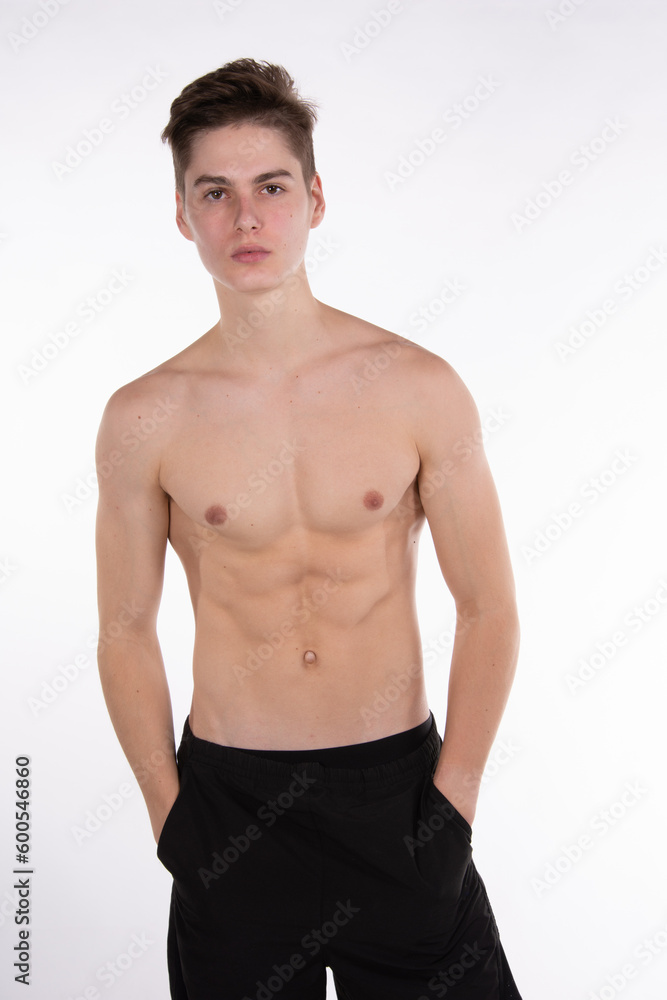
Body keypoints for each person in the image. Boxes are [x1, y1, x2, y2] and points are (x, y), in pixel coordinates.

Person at [95, 57, 523, 999]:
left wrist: (452, 803)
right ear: (181, 214)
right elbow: (125, 630)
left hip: (400, 804)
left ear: (314, 200)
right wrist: (171, 819)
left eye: (270, 187)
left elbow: (488, 605)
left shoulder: (416, 385)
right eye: (215, 191)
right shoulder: (145, 416)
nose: (245, 218)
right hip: (229, 808)